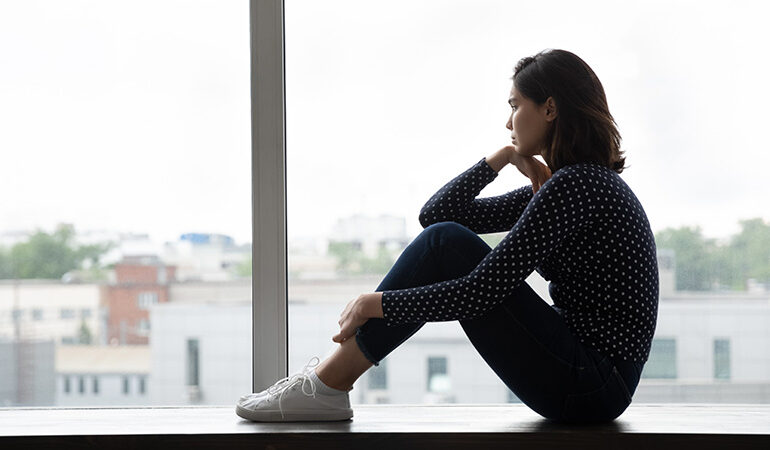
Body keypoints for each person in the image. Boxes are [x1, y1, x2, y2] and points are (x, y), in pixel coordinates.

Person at [236, 48, 658, 424]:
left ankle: (326, 385)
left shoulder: (577, 186)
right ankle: (327, 386)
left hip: (592, 383)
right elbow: (436, 215)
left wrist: (376, 303)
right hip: (591, 381)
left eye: (515, 105)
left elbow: (480, 290)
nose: (508, 120)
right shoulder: (567, 184)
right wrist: (500, 159)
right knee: (444, 238)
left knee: (445, 245)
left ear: (550, 109)